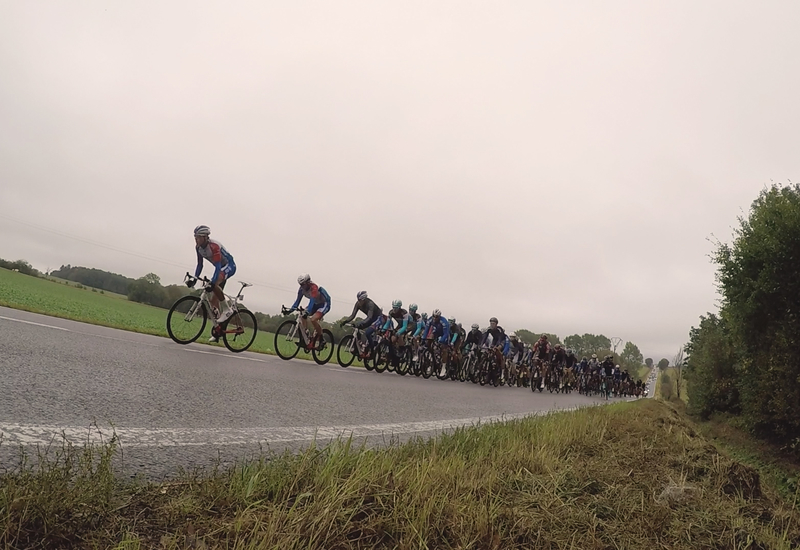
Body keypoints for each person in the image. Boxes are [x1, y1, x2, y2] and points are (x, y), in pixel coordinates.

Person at [189, 225, 236, 342]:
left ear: (205, 237)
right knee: (213, 302)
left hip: (229, 266)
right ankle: (218, 331)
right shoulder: (198, 248)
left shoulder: (214, 246)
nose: (196, 239)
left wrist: (213, 282)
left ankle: (227, 310)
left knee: (214, 284)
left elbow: (218, 267)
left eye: (198, 237)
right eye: (195, 237)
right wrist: (195, 278)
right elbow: (200, 265)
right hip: (220, 269)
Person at [287, 274, 331, 348]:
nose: (301, 286)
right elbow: (297, 301)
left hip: (324, 304)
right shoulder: (301, 289)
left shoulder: (314, 287)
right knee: (301, 316)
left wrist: (307, 312)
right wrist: (290, 310)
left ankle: (322, 339)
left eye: (303, 284)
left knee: (313, 319)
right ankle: (305, 336)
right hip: (315, 304)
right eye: (300, 284)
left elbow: (312, 301)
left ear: (308, 282)